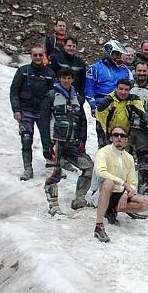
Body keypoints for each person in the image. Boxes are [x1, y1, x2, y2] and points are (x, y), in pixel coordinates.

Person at [39, 68, 93, 215]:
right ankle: (53, 206)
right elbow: (43, 120)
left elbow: (82, 120)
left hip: (72, 143)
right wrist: (46, 144)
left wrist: (82, 139)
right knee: (53, 174)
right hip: (54, 141)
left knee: (89, 167)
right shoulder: (50, 96)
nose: (66, 80)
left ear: (73, 79)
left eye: (69, 78)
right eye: (64, 77)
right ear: (59, 78)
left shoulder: (77, 97)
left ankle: (79, 198)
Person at [93, 126, 148, 242]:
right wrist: (123, 183)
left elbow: (133, 183)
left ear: (126, 139)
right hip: (102, 193)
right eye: (116, 135)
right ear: (111, 138)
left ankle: (112, 210)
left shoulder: (128, 158)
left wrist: (126, 194)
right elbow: (101, 171)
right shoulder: (103, 152)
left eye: (122, 136)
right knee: (108, 182)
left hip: (119, 193)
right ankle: (99, 226)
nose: (119, 138)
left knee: (146, 202)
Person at [9, 47, 56, 180]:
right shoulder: (23, 71)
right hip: (26, 111)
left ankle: (52, 167)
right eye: (35, 55)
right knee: (26, 139)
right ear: (31, 56)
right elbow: (14, 91)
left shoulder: (50, 73)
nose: (37, 57)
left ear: (44, 56)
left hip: (43, 112)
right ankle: (28, 168)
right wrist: (16, 110)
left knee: (48, 141)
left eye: (40, 55)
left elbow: (54, 94)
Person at [85, 40, 131, 145]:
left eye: (120, 55)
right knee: (104, 141)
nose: (118, 57)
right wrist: (93, 106)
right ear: (109, 53)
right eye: (116, 54)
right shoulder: (95, 68)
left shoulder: (124, 70)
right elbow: (89, 89)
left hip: (121, 108)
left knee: (121, 141)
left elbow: (129, 89)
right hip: (103, 107)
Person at [95, 79, 148, 149]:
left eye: (126, 90)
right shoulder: (106, 103)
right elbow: (100, 125)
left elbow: (142, 112)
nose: (123, 92)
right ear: (116, 89)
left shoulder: (133, 99)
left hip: (125, 137)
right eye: (121, 89)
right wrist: (104, 145)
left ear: (129, 91)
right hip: (110, 137)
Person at [49, 35, 86, 100]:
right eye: (69, 46)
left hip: (74, 97)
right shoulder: (57, 59)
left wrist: (81, 98)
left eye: (73, 46)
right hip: (58, 95)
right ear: (64, 46)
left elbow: (82, 82)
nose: (71, 48)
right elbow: (52, 77)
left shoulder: (80, 63)